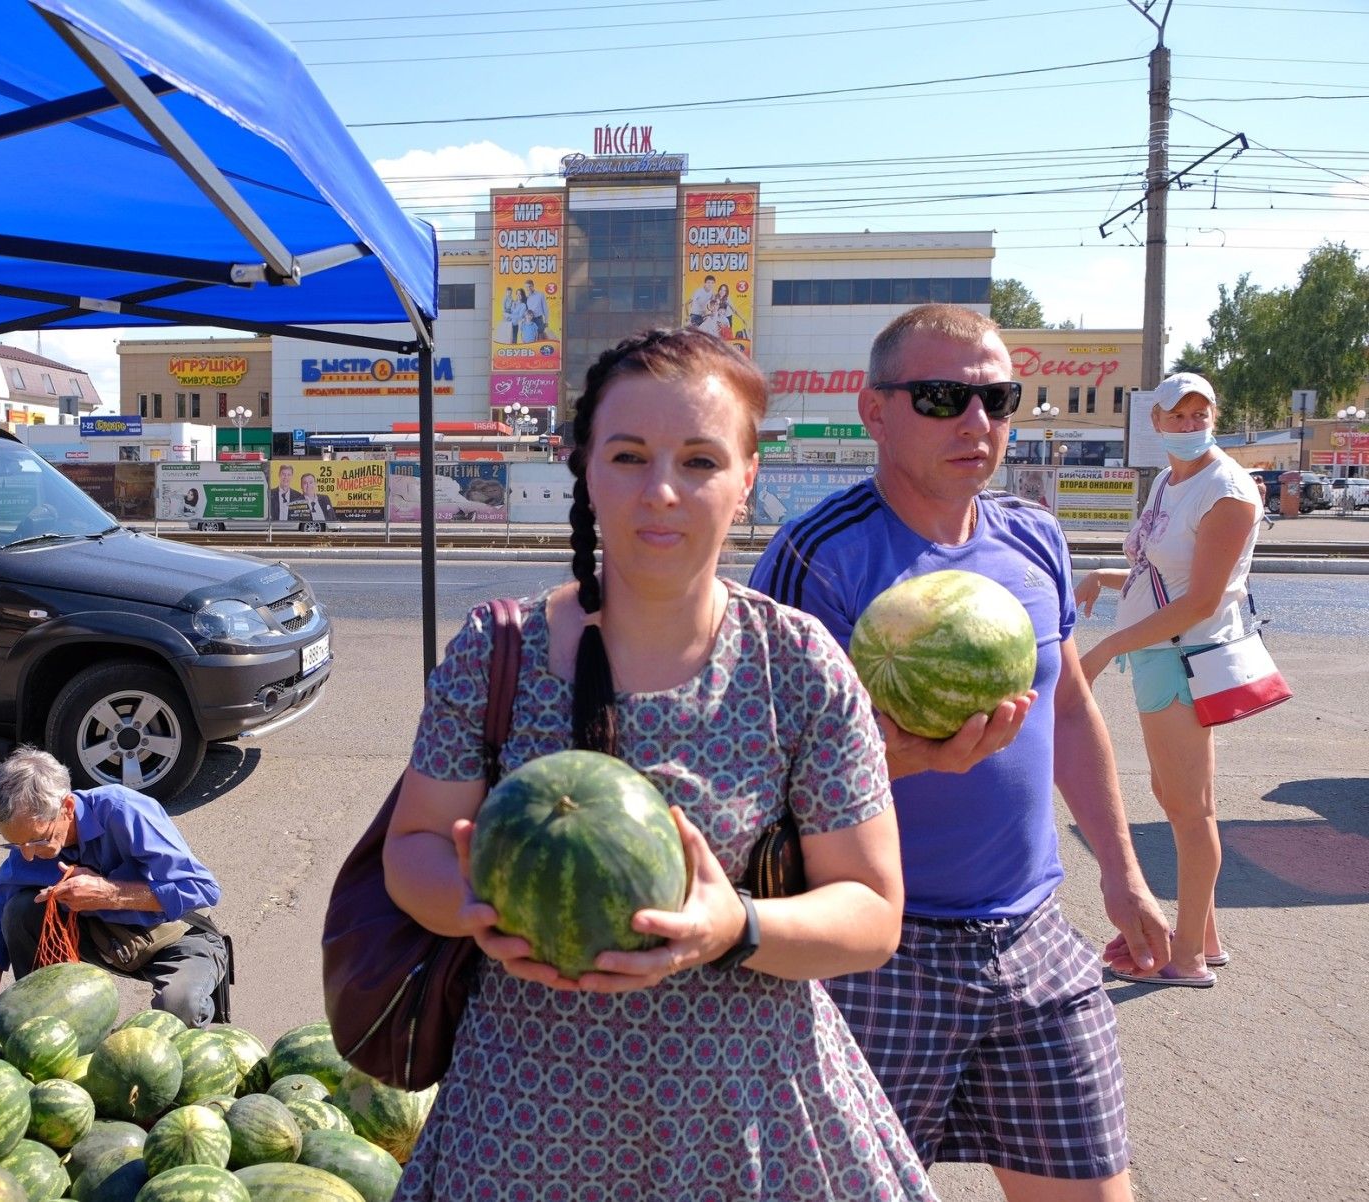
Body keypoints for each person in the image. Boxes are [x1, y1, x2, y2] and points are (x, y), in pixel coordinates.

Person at [386, 328, 934, 1199]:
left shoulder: (796, 664)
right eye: (630, 455)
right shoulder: (497, 650)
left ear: (748, 476)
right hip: (527, 1119)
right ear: (585, 467)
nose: (662, 492)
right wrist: (480, 908)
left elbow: (872, 913)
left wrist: (735, 929)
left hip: (752, 1118)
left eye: (702, 461)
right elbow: (413, 847)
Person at [751, 303, 1171, 1201]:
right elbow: (760, 779)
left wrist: (1122, 873)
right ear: (875, 411)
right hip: (877, 955)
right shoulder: (815, 558)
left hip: (1034, 938)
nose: (976, 423)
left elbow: (1069, 710)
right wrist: (905, 764)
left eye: (997, 397)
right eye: (942, 397)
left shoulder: (1035, 537)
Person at [1074, 372, 1261, 988]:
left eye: (1199, 414)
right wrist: (1103, 577)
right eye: (1177, 416)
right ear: (1155, 422)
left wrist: (1106, 651)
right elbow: (1162, 570)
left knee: (1190, 808)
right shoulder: (1169, 481)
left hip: (1184, 657)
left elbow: (1200, 601)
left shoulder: (1226, 491)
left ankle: (1186, 961)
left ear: (1214, 416)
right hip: (1159, 658)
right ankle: (1203, 937)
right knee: (1175, 798)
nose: (1189, 425)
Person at [0, 746, 229, 1026]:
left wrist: (109, 893)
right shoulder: (26, 847)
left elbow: (202, 889)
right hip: (106, 940)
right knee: (20, 911)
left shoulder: (124, 810)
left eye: (39, 840)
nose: (28, 854)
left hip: (174, 936)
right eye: (15, 843)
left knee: (179, 1007)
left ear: (66, 808)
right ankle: (52, 1027)